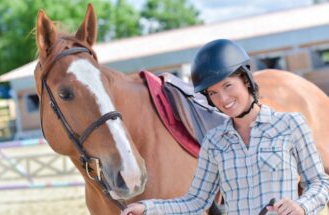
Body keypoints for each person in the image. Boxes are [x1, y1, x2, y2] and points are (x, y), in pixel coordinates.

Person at [121, 39, 329, 215]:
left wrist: (301, 206)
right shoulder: (214, 141)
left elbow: (321, 183)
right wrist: (147, 207)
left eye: (228, 86)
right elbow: (196, 200)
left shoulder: (290, 124)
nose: (223, 99)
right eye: (213, 93)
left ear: (245, 79)